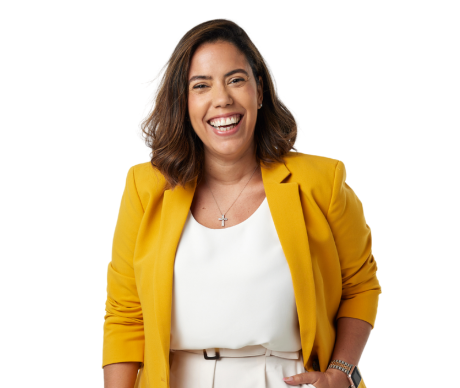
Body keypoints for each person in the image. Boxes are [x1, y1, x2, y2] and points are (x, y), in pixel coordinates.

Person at [102, 19, 382, 388]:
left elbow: (360, 285)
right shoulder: (146, 188)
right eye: (201, 86)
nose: (222, 99)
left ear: (259, 91)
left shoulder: (319, 182)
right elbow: (125, 314)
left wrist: (341, 373)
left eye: (236, 80)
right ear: (184, 102)